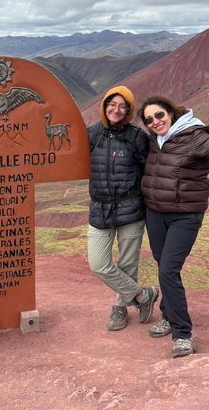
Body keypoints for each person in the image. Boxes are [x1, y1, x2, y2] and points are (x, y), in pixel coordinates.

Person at [138, 97, 209, 357]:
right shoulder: (153, 140)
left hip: (185, 216)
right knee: (163, 265)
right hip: (155, 214)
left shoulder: (193, 135)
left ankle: (182, 334)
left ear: (171, 112)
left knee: (168, 270)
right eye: (149, 119)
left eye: (159, 115)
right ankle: (168, 314)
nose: (155, 122)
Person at [86, 86, 158, 332]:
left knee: (128, 264)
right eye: (112, 104)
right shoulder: (92, 134)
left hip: (131, 209)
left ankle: (120, 308)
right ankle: (142, 295)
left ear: (128, 110)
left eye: (122, 106)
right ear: (104, 106)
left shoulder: (137, 136)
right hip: (99, 209)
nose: (116, 110)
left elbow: (150, 171)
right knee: (98, 264)